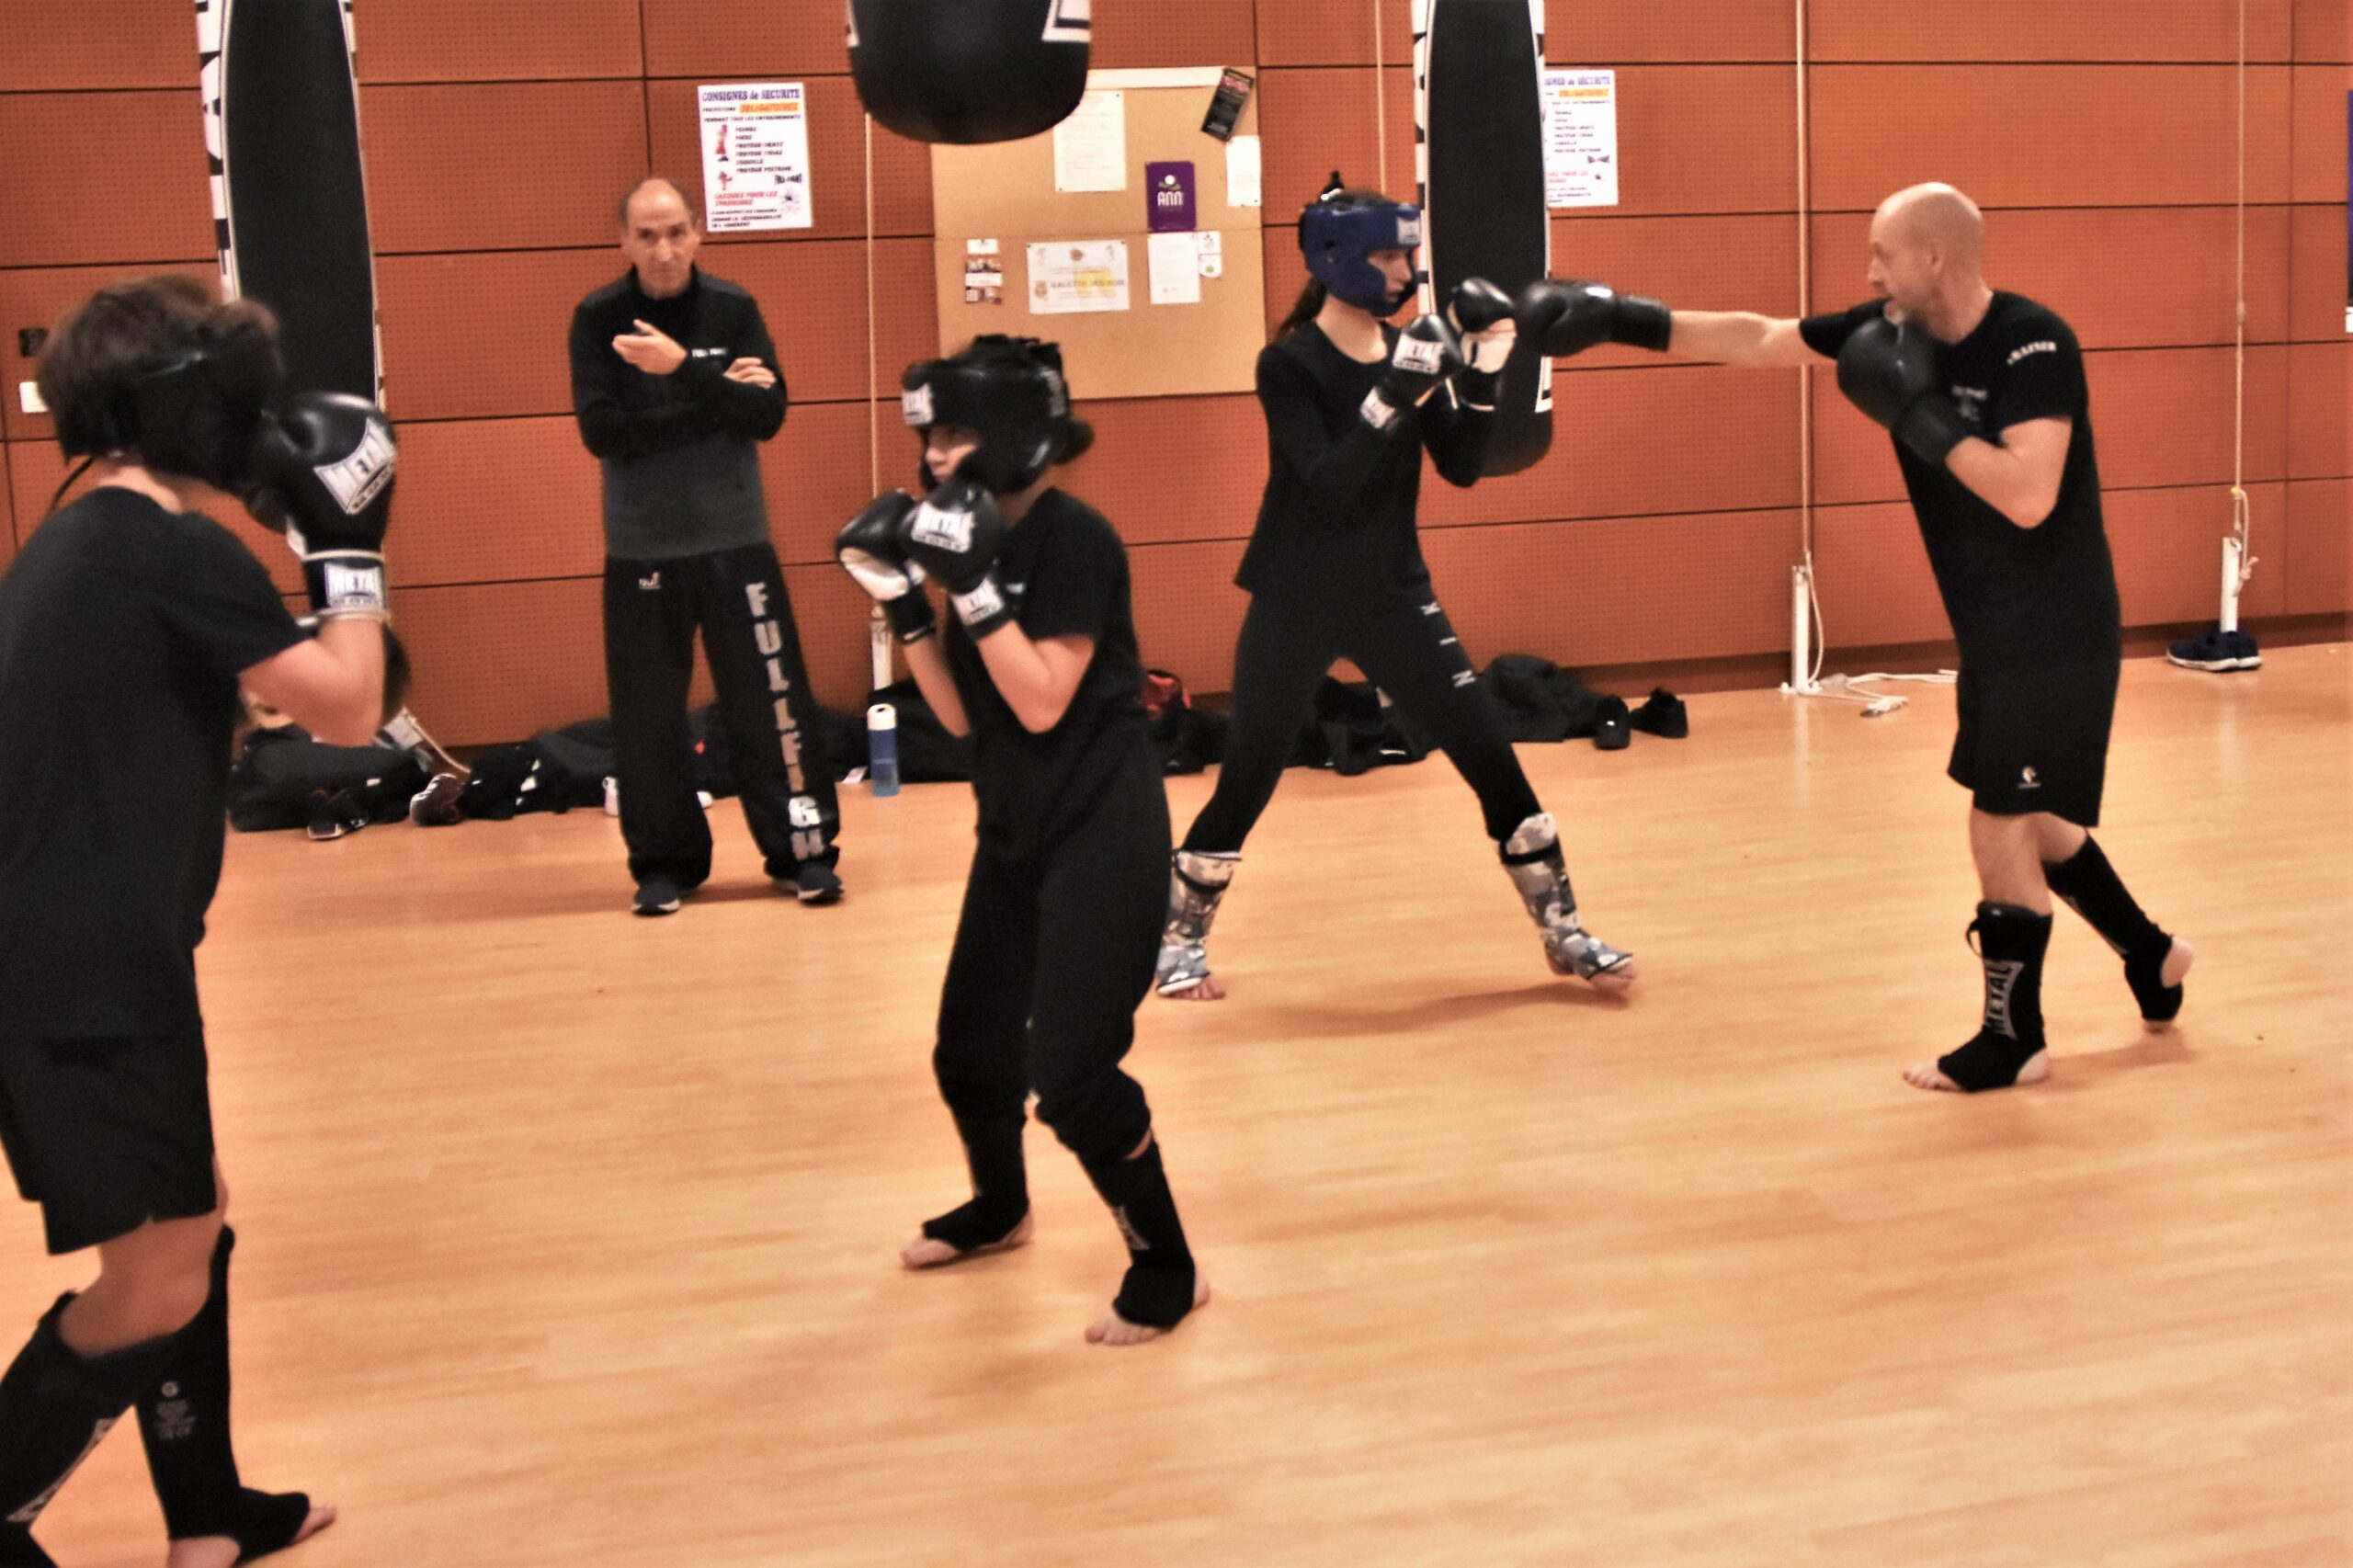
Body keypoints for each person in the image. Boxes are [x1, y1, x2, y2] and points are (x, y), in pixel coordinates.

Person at [1545, 181, 2191, 1090]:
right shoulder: (1891, 329)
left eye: (1882, 255)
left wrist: (1918, 416)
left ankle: (2015, 1040)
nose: (1870, 273)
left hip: (2055, 626)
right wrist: (1622, 320)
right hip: (1994, 627)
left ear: (1934, 257)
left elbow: (2028, 493)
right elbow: (1760, 337)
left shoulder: (2033, 343)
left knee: (1998, 818)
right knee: (2038, 817)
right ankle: (2152, 953)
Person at [0, 274, 394, 1567]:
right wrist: (349, 541)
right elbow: (350, 707)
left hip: (71, 946)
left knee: (192, 1220)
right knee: (160, 1268)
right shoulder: (168, 544)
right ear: (183, 406)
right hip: (79, 959)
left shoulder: (87, 530)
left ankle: (208, 1512)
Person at [1155, 177, 1639, 1002]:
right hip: (1297, 595)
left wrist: (1484, 370)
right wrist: (1393, 394)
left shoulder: (1408, 351)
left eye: (1406, 254)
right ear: (1335, 257)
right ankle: (1177, 945)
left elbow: (1461, 465)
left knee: (1490, 755)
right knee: (1249, 774)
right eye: (1386, 255)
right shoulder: (1289, 363)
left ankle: (1564, 932)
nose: (1403, 271)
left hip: (1392, 592)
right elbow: (1324, 485)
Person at [835, 336, 1208, 1346]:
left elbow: (1043, 699)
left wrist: (971, 589)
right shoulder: (981, 541)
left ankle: (1168, 1268)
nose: (933, 456)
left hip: (1102, 832)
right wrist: (906, 605)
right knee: (969, 1052)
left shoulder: (1075, 539)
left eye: (955, 434)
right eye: (930, 436)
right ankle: (1001, 1210)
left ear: (1012, 436)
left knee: (1074, 1071)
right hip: (1013, 827)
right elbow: (968, 718)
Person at [568, 177, 842, 915]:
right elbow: (606, 434)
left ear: (697, 232)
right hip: (642, 548)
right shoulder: (598, 319)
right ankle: (666, 865)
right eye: (647, 235)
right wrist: (719, 394)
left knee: (770, 704)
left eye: (675, 232)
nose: (663, 249)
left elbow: (768, 415)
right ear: (624, 241)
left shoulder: (733, 308)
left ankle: (804, 853)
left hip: (736, 541)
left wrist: (681, 371)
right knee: (648, 717)